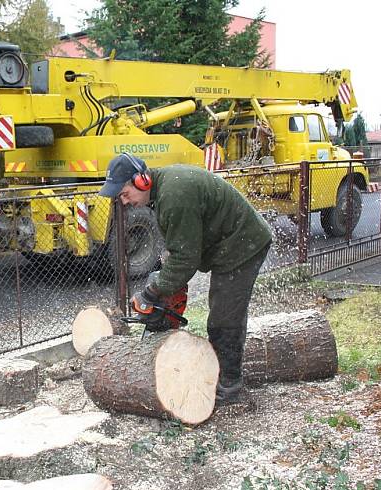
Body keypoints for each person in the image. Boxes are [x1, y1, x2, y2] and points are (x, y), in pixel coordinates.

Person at [99, 152, 272, 404]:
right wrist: (165, 285)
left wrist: (152, 292)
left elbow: (186, 260)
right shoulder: (162, 193)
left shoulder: (174, 196)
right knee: (199, 296)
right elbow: (177, 247)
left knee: (224, 318)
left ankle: (229, 386)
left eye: (125, 194)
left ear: (142, 181)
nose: (124, 201)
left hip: (242, 244)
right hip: (225, 243)